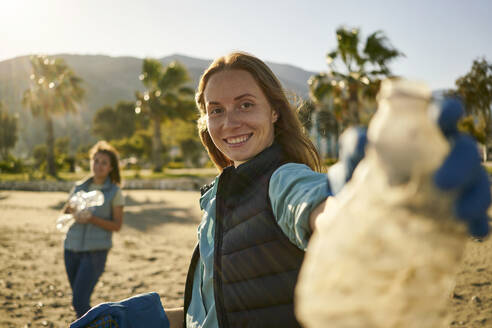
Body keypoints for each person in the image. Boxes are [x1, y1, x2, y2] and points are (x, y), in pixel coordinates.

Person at [70, 52, 490, 328]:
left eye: (245, 104)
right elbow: (223, 308)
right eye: (216, 110)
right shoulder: (218, 194)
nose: (229, 121)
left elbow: (321, 209)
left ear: (274, 110)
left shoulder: (283, 178)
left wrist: (373, 206)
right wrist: (153, 320)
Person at [62, 141, 125, 318]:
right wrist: (75, 211)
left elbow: (117, 225)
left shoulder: (114, 192)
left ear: (111, 167)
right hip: (70, 248)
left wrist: (92, 219)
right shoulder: (79, 186)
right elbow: (66, 211)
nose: (98, 166)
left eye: (104, 162)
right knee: (78, 300)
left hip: (95, 253)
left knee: (79, 301)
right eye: (96, 161)